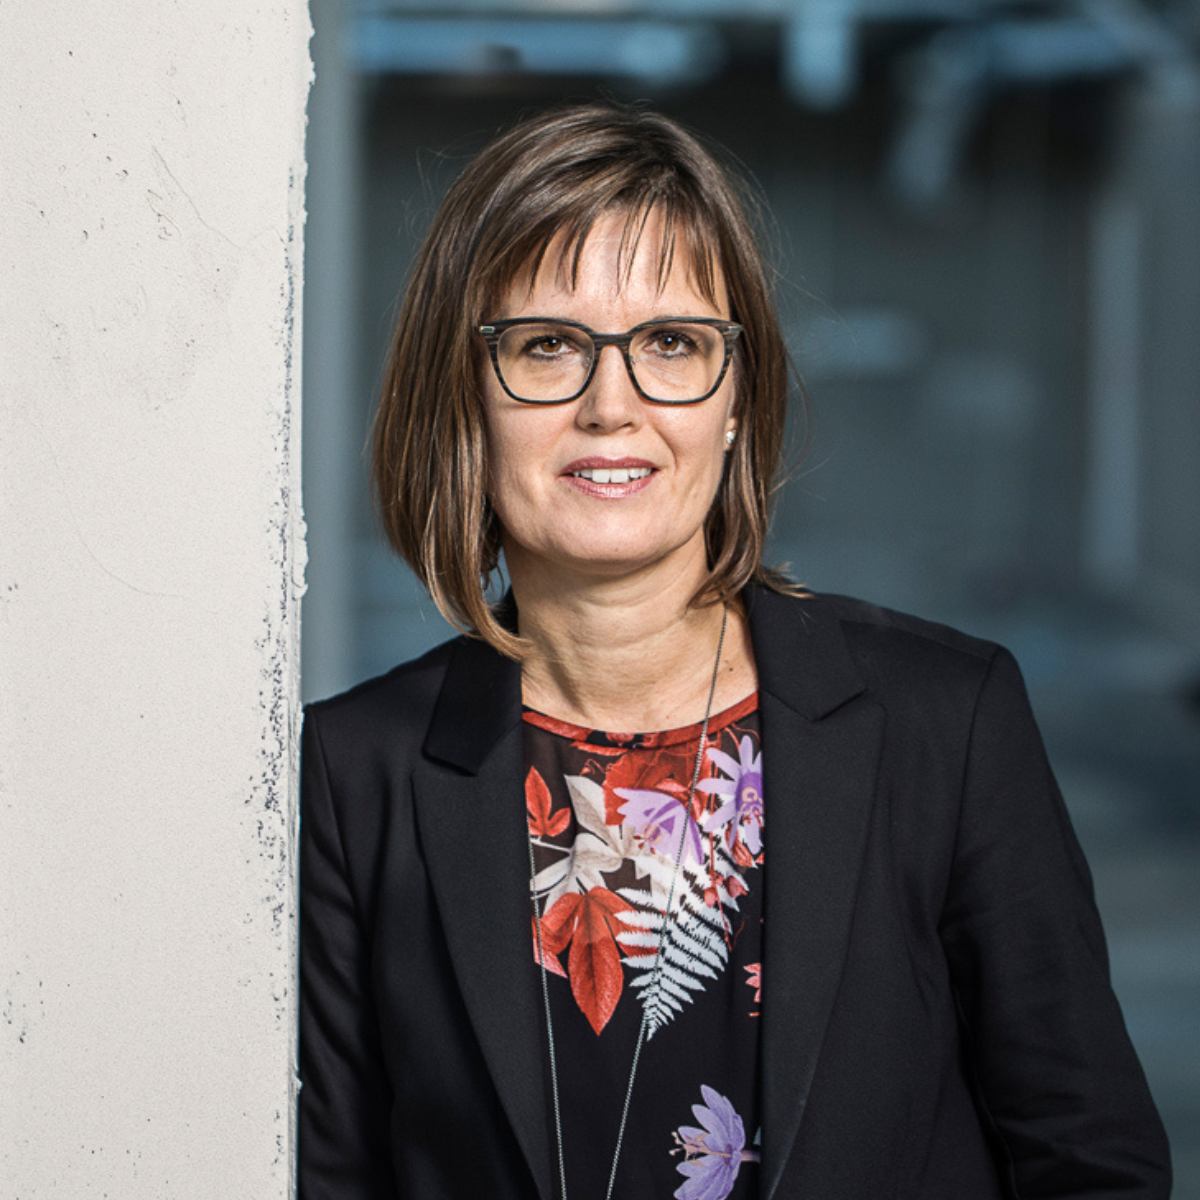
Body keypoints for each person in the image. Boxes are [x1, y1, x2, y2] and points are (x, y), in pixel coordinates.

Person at [298, 103, 1171, 1200]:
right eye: (547, 345)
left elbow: (1092, 1162)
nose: (610, 406)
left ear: (735, 401)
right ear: (461, 398)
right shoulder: (353, 774)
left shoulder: (947, 721)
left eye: (671, 343)